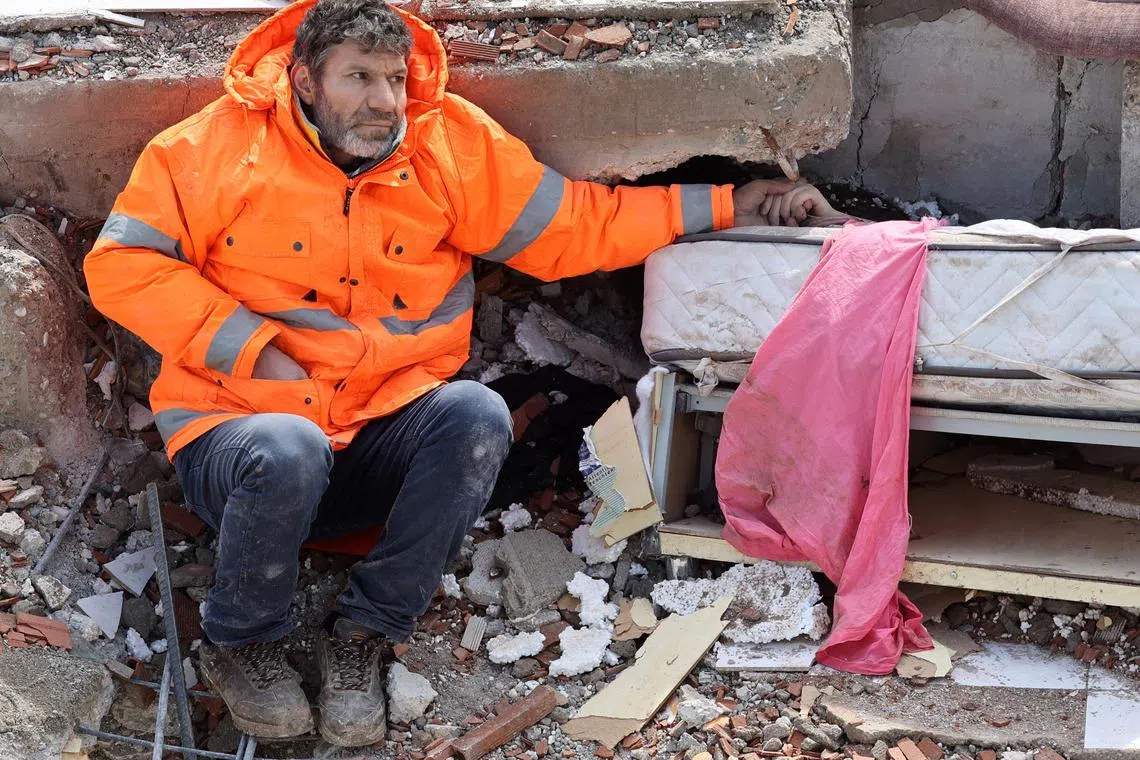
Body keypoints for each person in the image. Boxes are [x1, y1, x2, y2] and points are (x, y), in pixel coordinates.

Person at [84, 0, 842, 746]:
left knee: (479, 415)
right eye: (359, 79)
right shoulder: (210, 148)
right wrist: (249, 346)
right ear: (305, 82)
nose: (385, 101)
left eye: (394, 78)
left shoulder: (446, 146)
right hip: (246, 450)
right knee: (289, 447)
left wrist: (729, 202)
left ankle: (364, 635)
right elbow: (119, 266)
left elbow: (575, 227)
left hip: (375, 441)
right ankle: (243, 643)